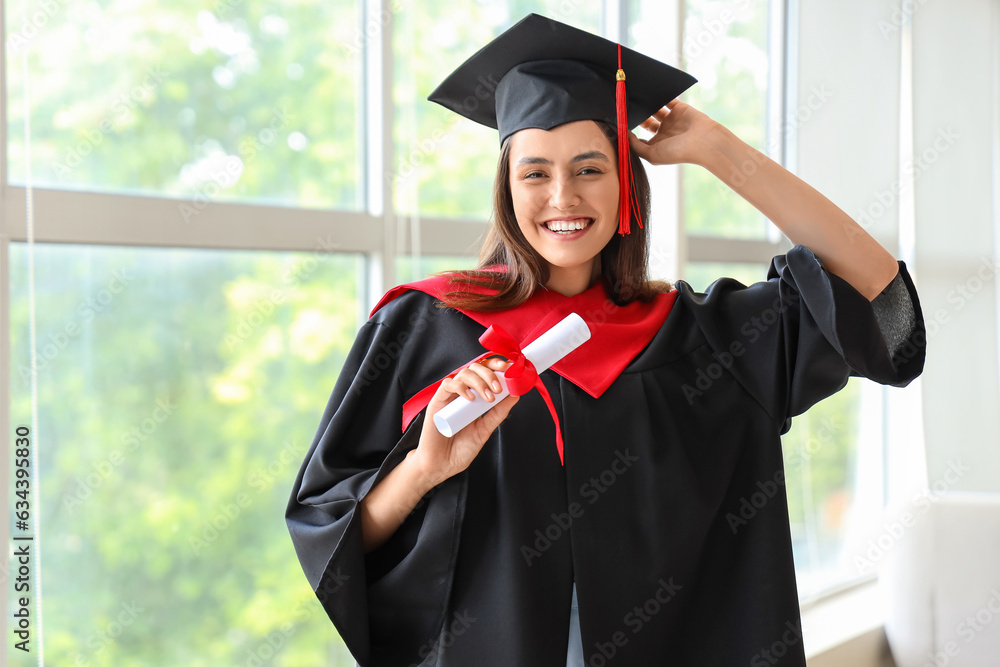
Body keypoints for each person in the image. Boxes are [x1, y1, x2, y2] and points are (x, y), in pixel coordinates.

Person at [285, 13, 925, 667]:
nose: (563, 195)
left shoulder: (703, 340)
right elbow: (333, 537)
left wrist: (715, 149)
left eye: (590, 167)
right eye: (534, 173)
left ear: (627, 184)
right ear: (506, 188)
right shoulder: (423, 328)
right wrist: (424, 467)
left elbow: (883, 306)